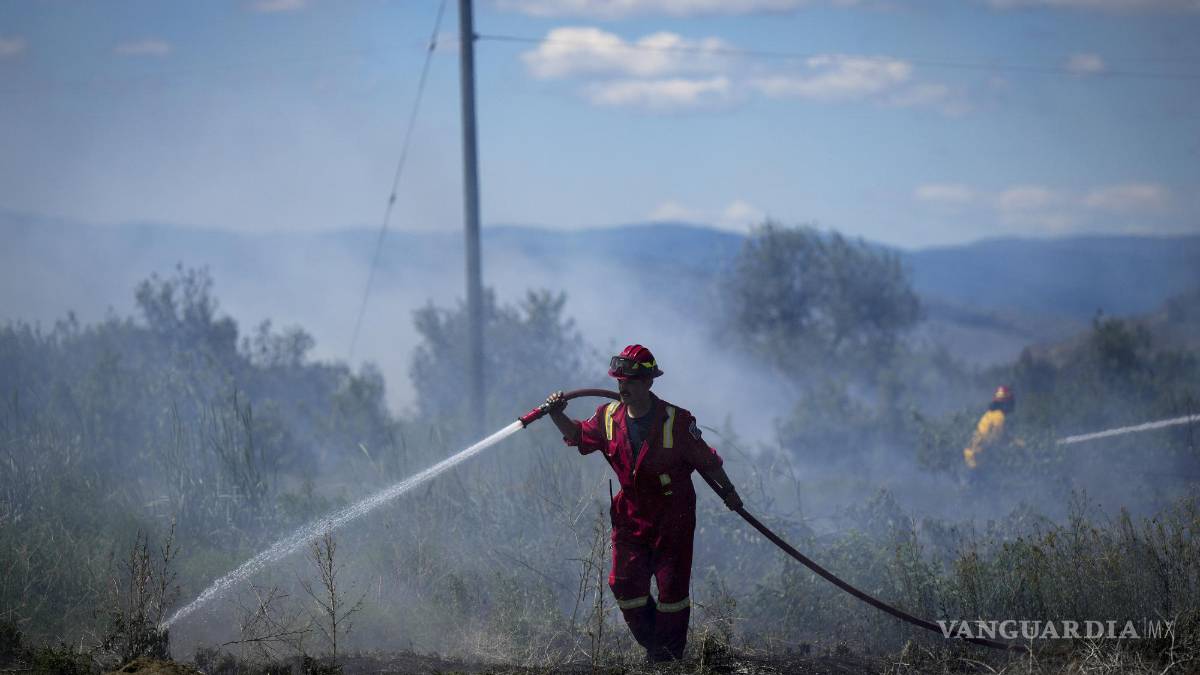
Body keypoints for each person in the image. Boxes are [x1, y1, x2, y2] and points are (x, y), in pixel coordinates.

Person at [544, 344, 743, 663]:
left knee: (671, 593)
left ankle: (667, 659)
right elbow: (579, 436)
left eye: (632, 381)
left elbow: (707, 460)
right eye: (620, 381)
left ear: (649, 383)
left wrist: (729, 491)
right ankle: (657, 647)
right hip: (630, 517)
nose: (624, 387)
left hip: (672, 517)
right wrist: (556, 413)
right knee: (623, 584)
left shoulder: (676, 421)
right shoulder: (607, 417)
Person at [963, 385, 1017, 470]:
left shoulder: (990, 414)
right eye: (1011, 402)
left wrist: (1014, 441)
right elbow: (995, 439)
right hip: (978, 459)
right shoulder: (999, 417)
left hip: (970, 454)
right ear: (1006, 403)